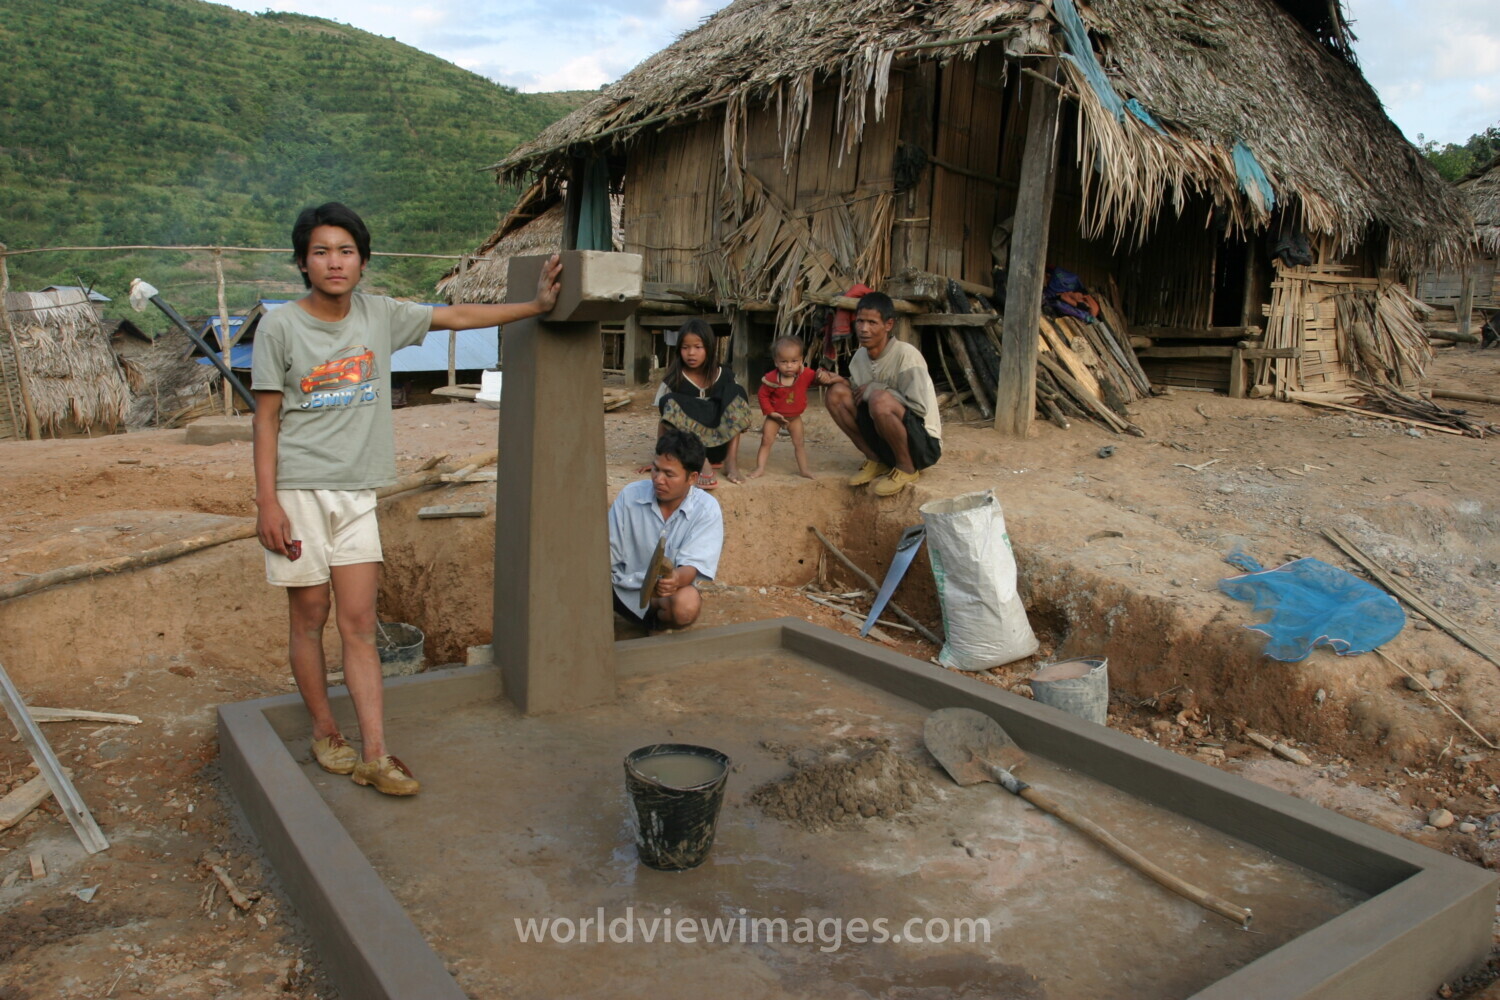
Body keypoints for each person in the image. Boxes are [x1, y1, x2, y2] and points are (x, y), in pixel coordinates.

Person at [251, 201, 561, 796]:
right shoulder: (281, 327)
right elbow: (265, 421)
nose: (334, 262)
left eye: (346, 251)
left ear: (363, 262)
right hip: (299, 492)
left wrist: (535, 307)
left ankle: (375, 753)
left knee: (360, 623)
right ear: (302, 263)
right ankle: (325, 732)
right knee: (310, 616)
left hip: (358, 494)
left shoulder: (380, 316)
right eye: (321, 251)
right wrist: (268, 503)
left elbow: (458, 315)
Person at [814, 291, 942, 497]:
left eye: (872, 322)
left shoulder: (906, 355)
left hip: (923, 445)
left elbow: (918, 406)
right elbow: (859, 394)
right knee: (835, 394)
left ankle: (907, 468)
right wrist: (841, 381)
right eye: (860, 321)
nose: (864, 329)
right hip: (886, 438)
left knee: (878, 399)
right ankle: (876, 460)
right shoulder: (859, 358)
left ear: (888, 325)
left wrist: (876, 389)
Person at [610, 428, 724, 630]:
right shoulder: (630, 496)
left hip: (659, 597)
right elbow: (608, 554)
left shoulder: (706, 510)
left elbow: (693, 565)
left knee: (686, 604)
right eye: (656, 469)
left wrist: (675, 579)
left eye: (669, 474)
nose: (658, 479)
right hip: (618, 589)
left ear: (692, 478)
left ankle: (656, 626)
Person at [651, 318, 752, 488]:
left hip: (721, 445)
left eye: (698, 347)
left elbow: (737, 416)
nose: (691, 353)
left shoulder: (726, 376)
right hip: (688, 452)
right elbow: (664, 421)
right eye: (685, 347)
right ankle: (702, 461)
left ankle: (731, 461)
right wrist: (658, 455)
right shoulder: (673, 379)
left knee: (737, 392)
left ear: (710, 348)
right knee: (667, 401)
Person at [749, 335, 816, 479]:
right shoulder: (771, 379)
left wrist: (828, 378)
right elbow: (762, 396)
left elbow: (819, 377)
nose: (789, 365)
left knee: (799, 443)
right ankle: (760, 468)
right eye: (784, 362)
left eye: (794, 361)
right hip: (774, 417)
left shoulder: (805, 374)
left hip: (795, 418)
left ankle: (804, 470)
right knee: (766, 441)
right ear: (776, 362)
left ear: (801, 360)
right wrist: (771, 413)